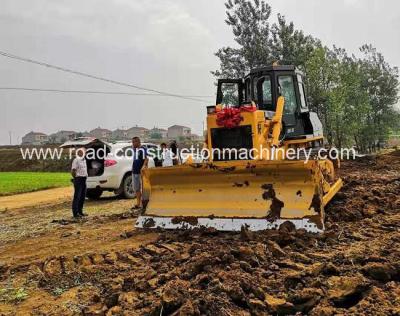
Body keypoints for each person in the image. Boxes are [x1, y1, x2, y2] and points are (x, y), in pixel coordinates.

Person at [131, 137, 148, 210]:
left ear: (137, 142)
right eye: (132, 142)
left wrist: (143, 167)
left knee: (144, 189)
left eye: (133, 142)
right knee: (136, 188)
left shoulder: (142, 149)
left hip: (141, 172)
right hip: (135, 171)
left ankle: (145, 204)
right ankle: (138, 204)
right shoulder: (135, 150)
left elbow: (146, 159)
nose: (132, 144)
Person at [71, 147, 88, 218]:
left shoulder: (84, 160)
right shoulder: (76, 160)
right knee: (77, 196)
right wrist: (75, 178)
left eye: (85, 152)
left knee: (82, 196)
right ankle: (75, 213)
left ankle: (80, 212)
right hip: (78, 179)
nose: (84, 153)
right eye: (82, 151)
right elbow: (73, 170)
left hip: (84, 179)